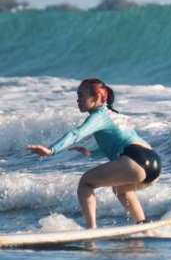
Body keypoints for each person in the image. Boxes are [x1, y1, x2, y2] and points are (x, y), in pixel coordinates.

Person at [27, 78, 161, 228]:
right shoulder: (115, 115)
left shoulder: (98, 116)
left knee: (85, 183)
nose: (78, 100)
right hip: (153, 164)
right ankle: (141, 223)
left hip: (135, 160)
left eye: (81, 96)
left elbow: (76, 134)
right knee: (119, 188)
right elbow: (118, 145)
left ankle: (91, 228)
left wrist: (51, 150)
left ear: (96, 98)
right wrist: (91, 152)